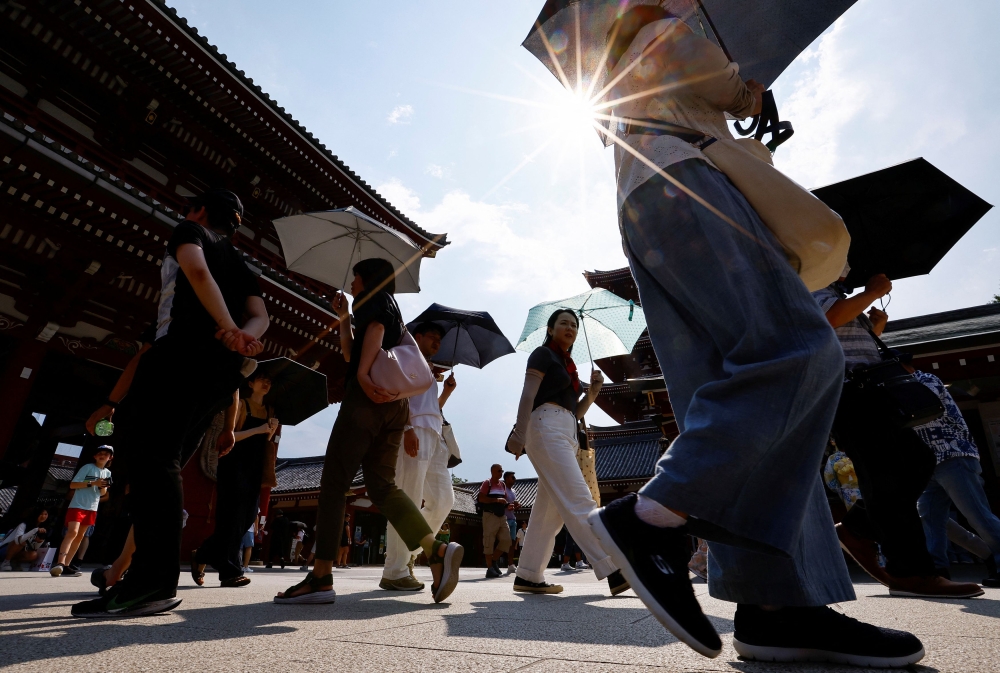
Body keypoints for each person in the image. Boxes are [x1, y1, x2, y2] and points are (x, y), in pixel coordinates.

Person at [579, 5, 925, 665]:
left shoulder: (613, 70)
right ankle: (653, 517)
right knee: (797, 348)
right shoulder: (667, 22)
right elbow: (699, 70)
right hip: (689, 183)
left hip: (651, 192)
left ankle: (778, 605)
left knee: (741, 388)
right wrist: (745, 91)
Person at [72, 188, 268, 618]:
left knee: (150, 461)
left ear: (199, 210)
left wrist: (225, 325)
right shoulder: (240, 262)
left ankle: (151, 583)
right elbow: (262, 315)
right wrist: (242, 334)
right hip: (221, 372)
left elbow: (195, 272)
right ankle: (145, 578)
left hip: (178, 355)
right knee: (165, 464)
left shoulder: (190, 231)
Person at [275, 258, 463, 605]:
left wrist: (362, 377)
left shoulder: (374, 300)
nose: (352, 282)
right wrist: (344, 316)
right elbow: (350, 350)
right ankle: (434, 550)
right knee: (382, 486)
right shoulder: (394, 311)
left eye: (354, 276)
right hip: (395, 407)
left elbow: (371, 337)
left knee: (334, 482)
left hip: (367, 400)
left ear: (367, 277)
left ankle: (320, 576)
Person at [816, 270, 981, 598]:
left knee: (915, 461)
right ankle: (912, 572)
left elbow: (846, 334)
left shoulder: (834, 290)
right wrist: (872, 292)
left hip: (866, 393)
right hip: (851, 395)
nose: (848, 266)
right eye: (843, 259)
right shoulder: (811, 282)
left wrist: (874, 327)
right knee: (888, 474)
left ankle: (859, 528)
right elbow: (829, 319)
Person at [507, 310, 629, 597]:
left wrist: (594, 392)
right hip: (545, 427)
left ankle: (528, 575)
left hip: (566, 431)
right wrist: (519, 433)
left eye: (574, 325)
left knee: (549, 514)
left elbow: (576, 413)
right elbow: (528, 394)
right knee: (578, 497)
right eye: (563, 323)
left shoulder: (568, 365)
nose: (570, 328)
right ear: (550, 329)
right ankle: (613, 567)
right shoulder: (542, 355)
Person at [906, 360, 1000, 587]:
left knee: (977, 515)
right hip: (928, 462)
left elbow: (915, 406)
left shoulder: (925, 379)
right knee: (930, 517)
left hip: (952, 455)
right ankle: (936, 571)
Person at [381, 322, 458, 591]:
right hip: (413, 432)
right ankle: (395, 570)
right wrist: (407, 427)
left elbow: (429, 407)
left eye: (440, 338)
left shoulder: (428, 369)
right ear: (418, 337)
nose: (437, 342)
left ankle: (412, 554)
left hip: (435, 434)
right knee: (409, 497)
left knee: (443, 500)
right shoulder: (406, 356)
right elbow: (397, 396)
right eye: (432, 337)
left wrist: (446, 392)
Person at [193, 373, 278, 588]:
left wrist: (270, 431)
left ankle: (202, 554)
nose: (266, 383)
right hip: (234, 463)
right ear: (251, 384)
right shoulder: (241, 404)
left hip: (255, 466)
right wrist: (259, 429)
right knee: (231, 516)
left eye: (268, 381)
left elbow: (265, 443)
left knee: (248, 516)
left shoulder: (270, 411)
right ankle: (231, 571)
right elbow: (231, 435)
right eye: (262, 380)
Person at [51, 446, 112, 577]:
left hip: (92, 507)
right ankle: (60, 563)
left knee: (80, 536)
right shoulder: (87, 467)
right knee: (72, 532)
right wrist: (93, 483)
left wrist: (102, 486)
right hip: (78, 504)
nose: (102, 455)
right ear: (95, 456)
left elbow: (103, 493)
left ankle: (67, 565)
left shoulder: (108, 473)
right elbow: (73, 485)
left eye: (106, 454)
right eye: (99, 453)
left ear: (110, 458)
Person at [478, 464, 514, 579]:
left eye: (502, 470)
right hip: (490, 515)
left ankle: (493, 561)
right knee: (489, 541)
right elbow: (481, 498)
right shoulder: (487, 483)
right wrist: (496, 500)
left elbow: (503, 500)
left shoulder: (502, 484)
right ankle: (490, 569)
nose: (501, 472)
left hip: (501, 516)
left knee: (506, 540)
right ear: (492, 471)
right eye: (499, 471)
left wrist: (509, 505)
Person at [1, 506, 49, 571]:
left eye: (45, 514)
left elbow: (34, 548)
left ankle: (13, 562)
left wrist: (39, 542)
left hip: (18, 552)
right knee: (21, 541)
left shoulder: (42, 528)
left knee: (33, 554)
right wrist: (34, 530)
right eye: (41, 514)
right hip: (4, 549)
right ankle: (6, 562)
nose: (43, 516)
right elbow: (18, 541)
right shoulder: (24, 525)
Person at [502, 471, 519, 575]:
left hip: (513, 519)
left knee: (512, 543)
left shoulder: (513, 491)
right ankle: (495, 562)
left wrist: (516, 505)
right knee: (504, 542)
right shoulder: (502, 489)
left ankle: (510, 564)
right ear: (507, 478)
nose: (514, 479)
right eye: (512, 477)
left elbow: (511, 506)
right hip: (505, 519)